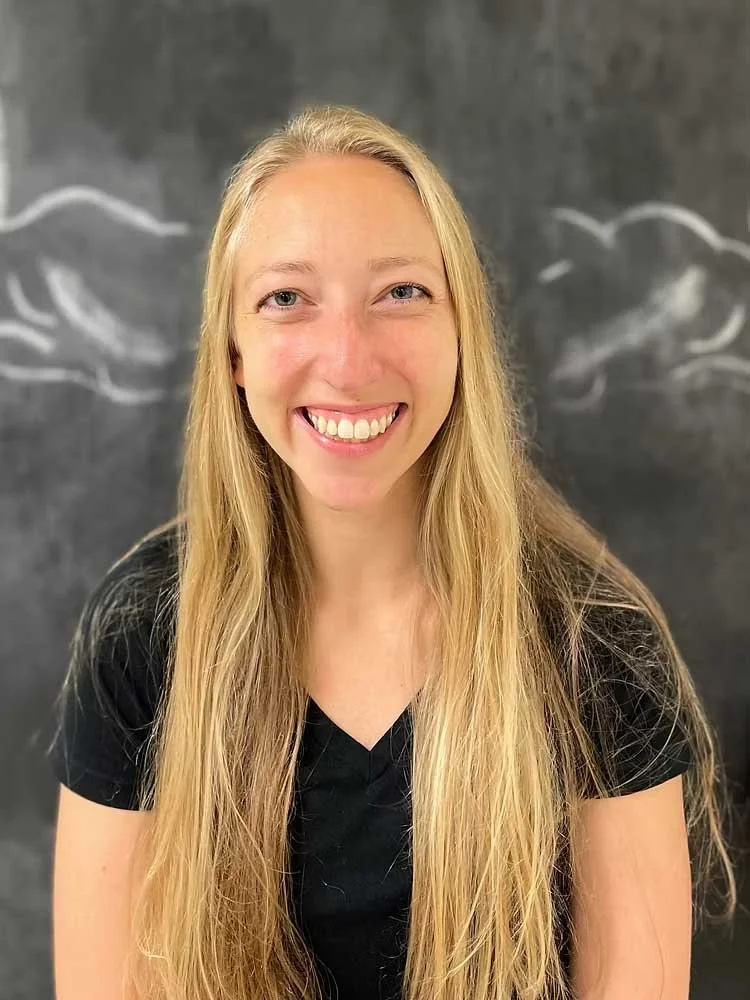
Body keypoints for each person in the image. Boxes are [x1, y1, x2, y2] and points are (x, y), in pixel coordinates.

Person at [48, 104, 737, 1000]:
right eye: (287, 299)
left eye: (401, 292)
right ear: (233, 354)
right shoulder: (142, 633)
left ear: (464, 334)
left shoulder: (594, 640)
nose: (347, 357)